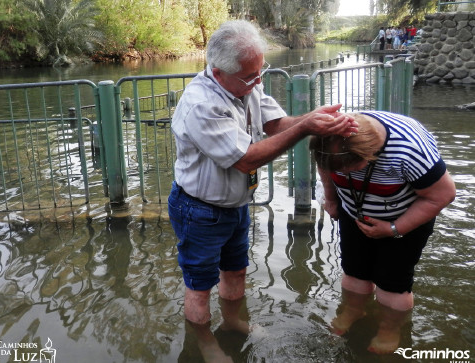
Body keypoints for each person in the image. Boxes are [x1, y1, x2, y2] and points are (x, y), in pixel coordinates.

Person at [168, 20, 358, 362]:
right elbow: (245, 159)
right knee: (199, 286)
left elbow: (275, 123)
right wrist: (306, 129)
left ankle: (233, 322)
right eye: (250, 76)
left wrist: (311, 119)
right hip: (199, 209)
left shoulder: (244, 82)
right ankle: (205, 343)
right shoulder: (202, 105)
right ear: (218, 71)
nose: (258, 81)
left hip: (235, 203)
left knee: (236, 270)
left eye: (260, 71)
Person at [310, 111, 456, 354]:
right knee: (355, 270)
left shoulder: (409, 150)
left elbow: (443, 195)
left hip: (406, 215)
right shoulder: (330, 137)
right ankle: (354, 310)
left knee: (393, 281)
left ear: (371, 155)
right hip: (354, 209)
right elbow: (326, 166)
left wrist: (394, 228)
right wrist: (332, 199)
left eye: (349, 168)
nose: (344, 174)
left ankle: (390, 327)